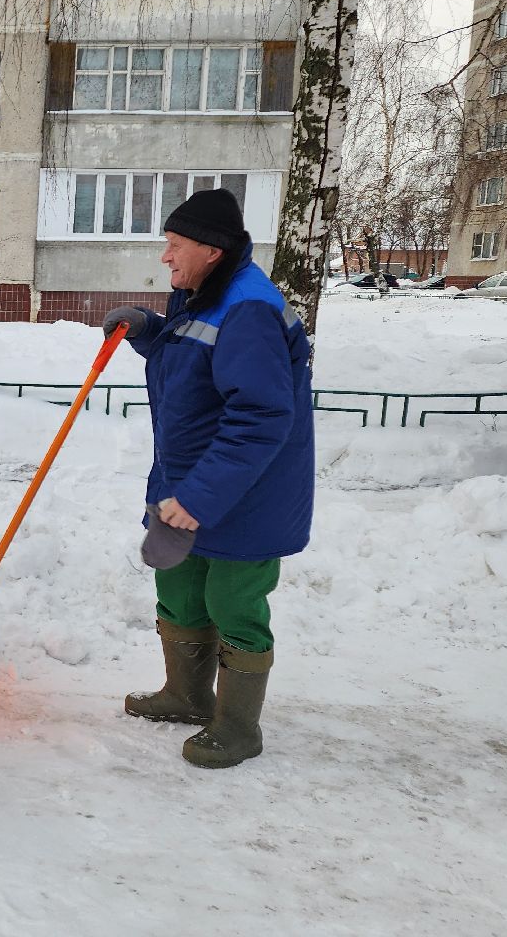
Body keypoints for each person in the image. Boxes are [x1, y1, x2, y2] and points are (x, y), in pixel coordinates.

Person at [102, 189, 315, 769]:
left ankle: (239, 726)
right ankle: (187, 694)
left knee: (233, 600)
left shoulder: (248, 308)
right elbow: (197, 368)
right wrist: (149, 329)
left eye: (174, 246)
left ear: (212, 250)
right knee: (179, 585)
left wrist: (199, 496)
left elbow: (261, 417)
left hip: (245, 494)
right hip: (189, 476)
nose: (166, 257)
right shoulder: (204, 296)